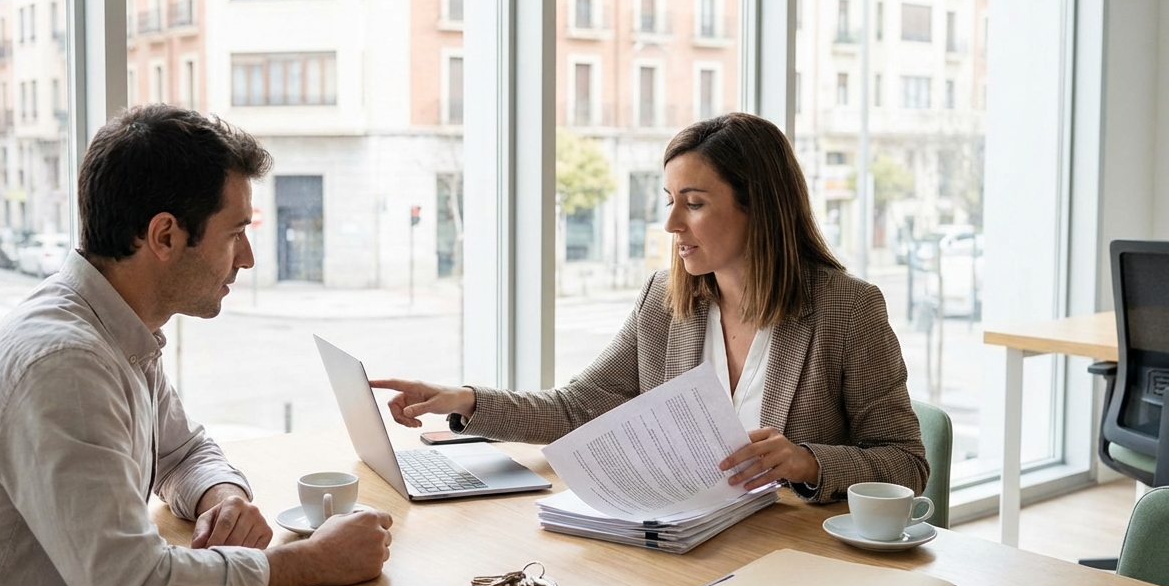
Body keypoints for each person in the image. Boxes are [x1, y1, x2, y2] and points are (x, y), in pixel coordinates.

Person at [0, 104, 394, 586]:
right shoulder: (64, 365)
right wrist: (312, 563)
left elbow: (183, 449)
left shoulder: (110, 327)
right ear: (165, 235)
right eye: (235, 232)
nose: (246, 258)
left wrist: (222, 495)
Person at [373, 112, 927, 504]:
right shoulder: (667, 300)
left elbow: (907, 462)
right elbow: (581, 407)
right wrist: (467, 401)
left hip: (793, 561)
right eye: (670, 201)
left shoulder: (847, 310)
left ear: (761, 206)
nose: (671, 224)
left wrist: (810, 461)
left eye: (695, 203)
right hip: (684, 537)